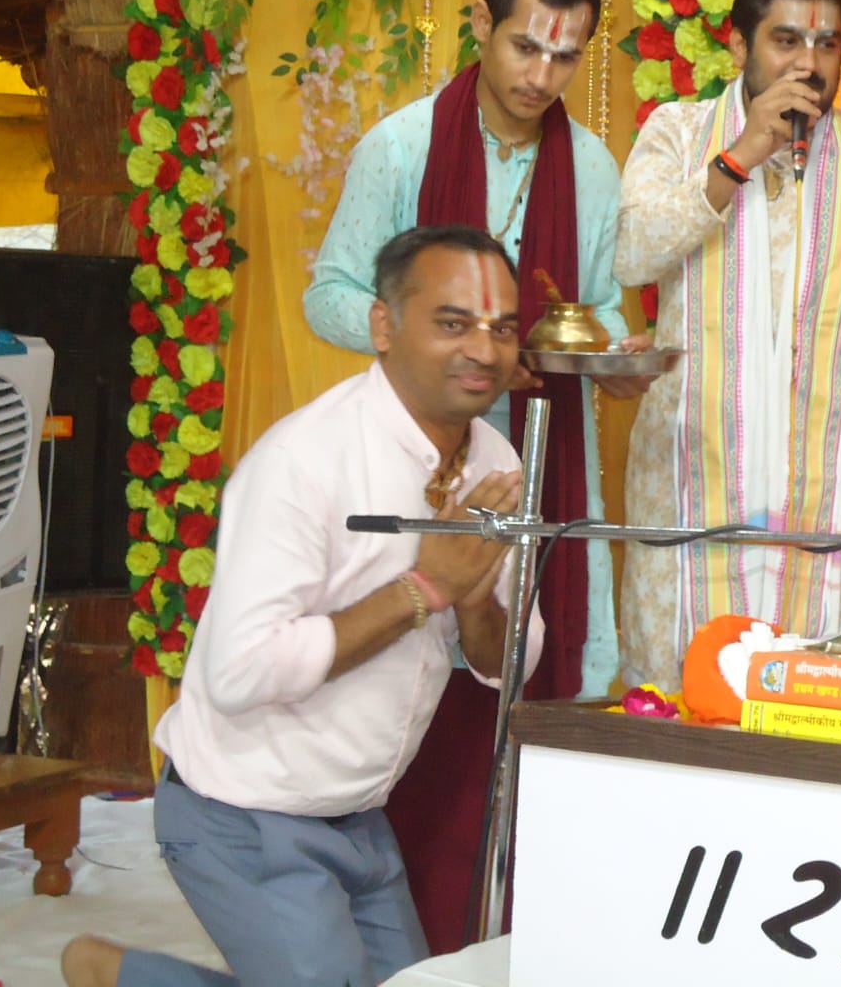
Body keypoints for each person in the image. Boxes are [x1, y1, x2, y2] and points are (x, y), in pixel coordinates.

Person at [61, 226, 543, 987]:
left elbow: (510, 663)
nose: (483, 350)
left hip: (359, 814)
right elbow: (241, 673)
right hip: (241, 808)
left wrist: (477, 600)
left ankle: (118, 974)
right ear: (383, 325)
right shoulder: (303, 460)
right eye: (453, 323)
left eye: (503, 328)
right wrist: (424, 590)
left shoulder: (495, 460)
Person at [305, 0, 639, 701]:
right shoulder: (400, 148)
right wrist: (446, 348)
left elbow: (597, 307)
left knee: (527, 674)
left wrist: (617, 353)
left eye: (565, 57)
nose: (540, 77)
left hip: (541, 458)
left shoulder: (590, 166)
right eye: (525, 47)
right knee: (399, 672)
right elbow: (328, 296)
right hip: (409, 463)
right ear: (483, 24)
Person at [614, 0, 841, 692]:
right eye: (786, 40)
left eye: (826, 45)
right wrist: (741, 157)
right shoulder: (678, 134)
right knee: (678, 697)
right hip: (692, 486)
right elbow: (633, 253)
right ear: (740, 45)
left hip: (825, 493)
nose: (808, 63)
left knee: (821, 701)